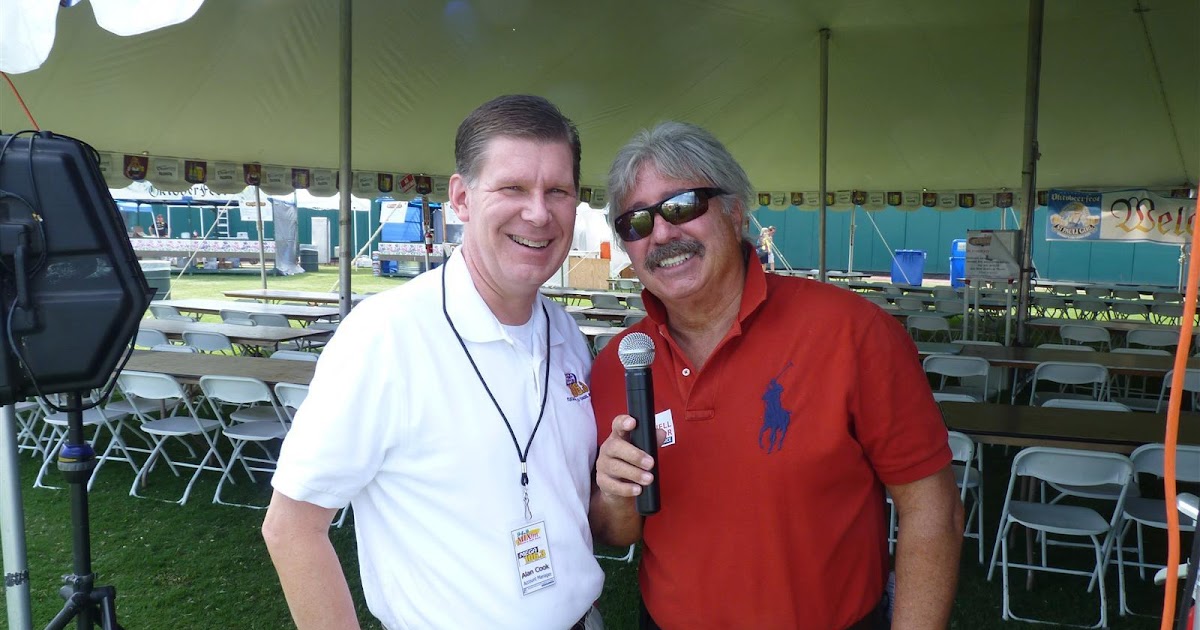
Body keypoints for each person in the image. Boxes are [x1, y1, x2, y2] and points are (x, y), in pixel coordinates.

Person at [589, 121, 963, 629]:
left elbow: (932, 510)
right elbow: (619, 533)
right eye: (636, 222)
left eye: (682, 206)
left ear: (735, 211)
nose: (661, 233)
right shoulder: (619, 364)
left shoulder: (853, 332)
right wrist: (615, 496)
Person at [262, 95, 605, 630]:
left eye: (557, 191)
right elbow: (291, 527)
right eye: (513, 188)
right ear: (462, 198)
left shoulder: (565, 334)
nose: (538, 213)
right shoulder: (385, 336)